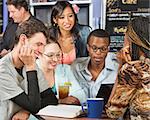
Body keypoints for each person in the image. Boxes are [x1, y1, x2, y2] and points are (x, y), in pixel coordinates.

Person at [0, 19, 58, 120]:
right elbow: (34, 106)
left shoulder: (31, 63)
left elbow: (51, 99)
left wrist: (25, 110)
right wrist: (30, 67)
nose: (41, 51)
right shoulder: (2, 70)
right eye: (38, 44)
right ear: (23, 40)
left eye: (43, 46)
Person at [105, 16, 150, 120]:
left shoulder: (133, 69)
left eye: (125, 36)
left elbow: (113, 112)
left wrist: (121, 66)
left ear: (133, 41)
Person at [71, 29, 119, 105]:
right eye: (94, 48)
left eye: (103, 49)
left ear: (108, 49)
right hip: (79, 114)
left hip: (107, 115)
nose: (98, 52)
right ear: (88, 48)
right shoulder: (76, 67)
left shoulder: (117, 69)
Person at [37, 40, 87, 105]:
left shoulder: (65, 69)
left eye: (58, 55)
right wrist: (60, 100)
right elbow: (33, 101)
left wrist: (73, 98)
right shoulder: (31, 70)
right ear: (38, 54)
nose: (55, 59)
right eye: (50, 55)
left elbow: (81, 95)